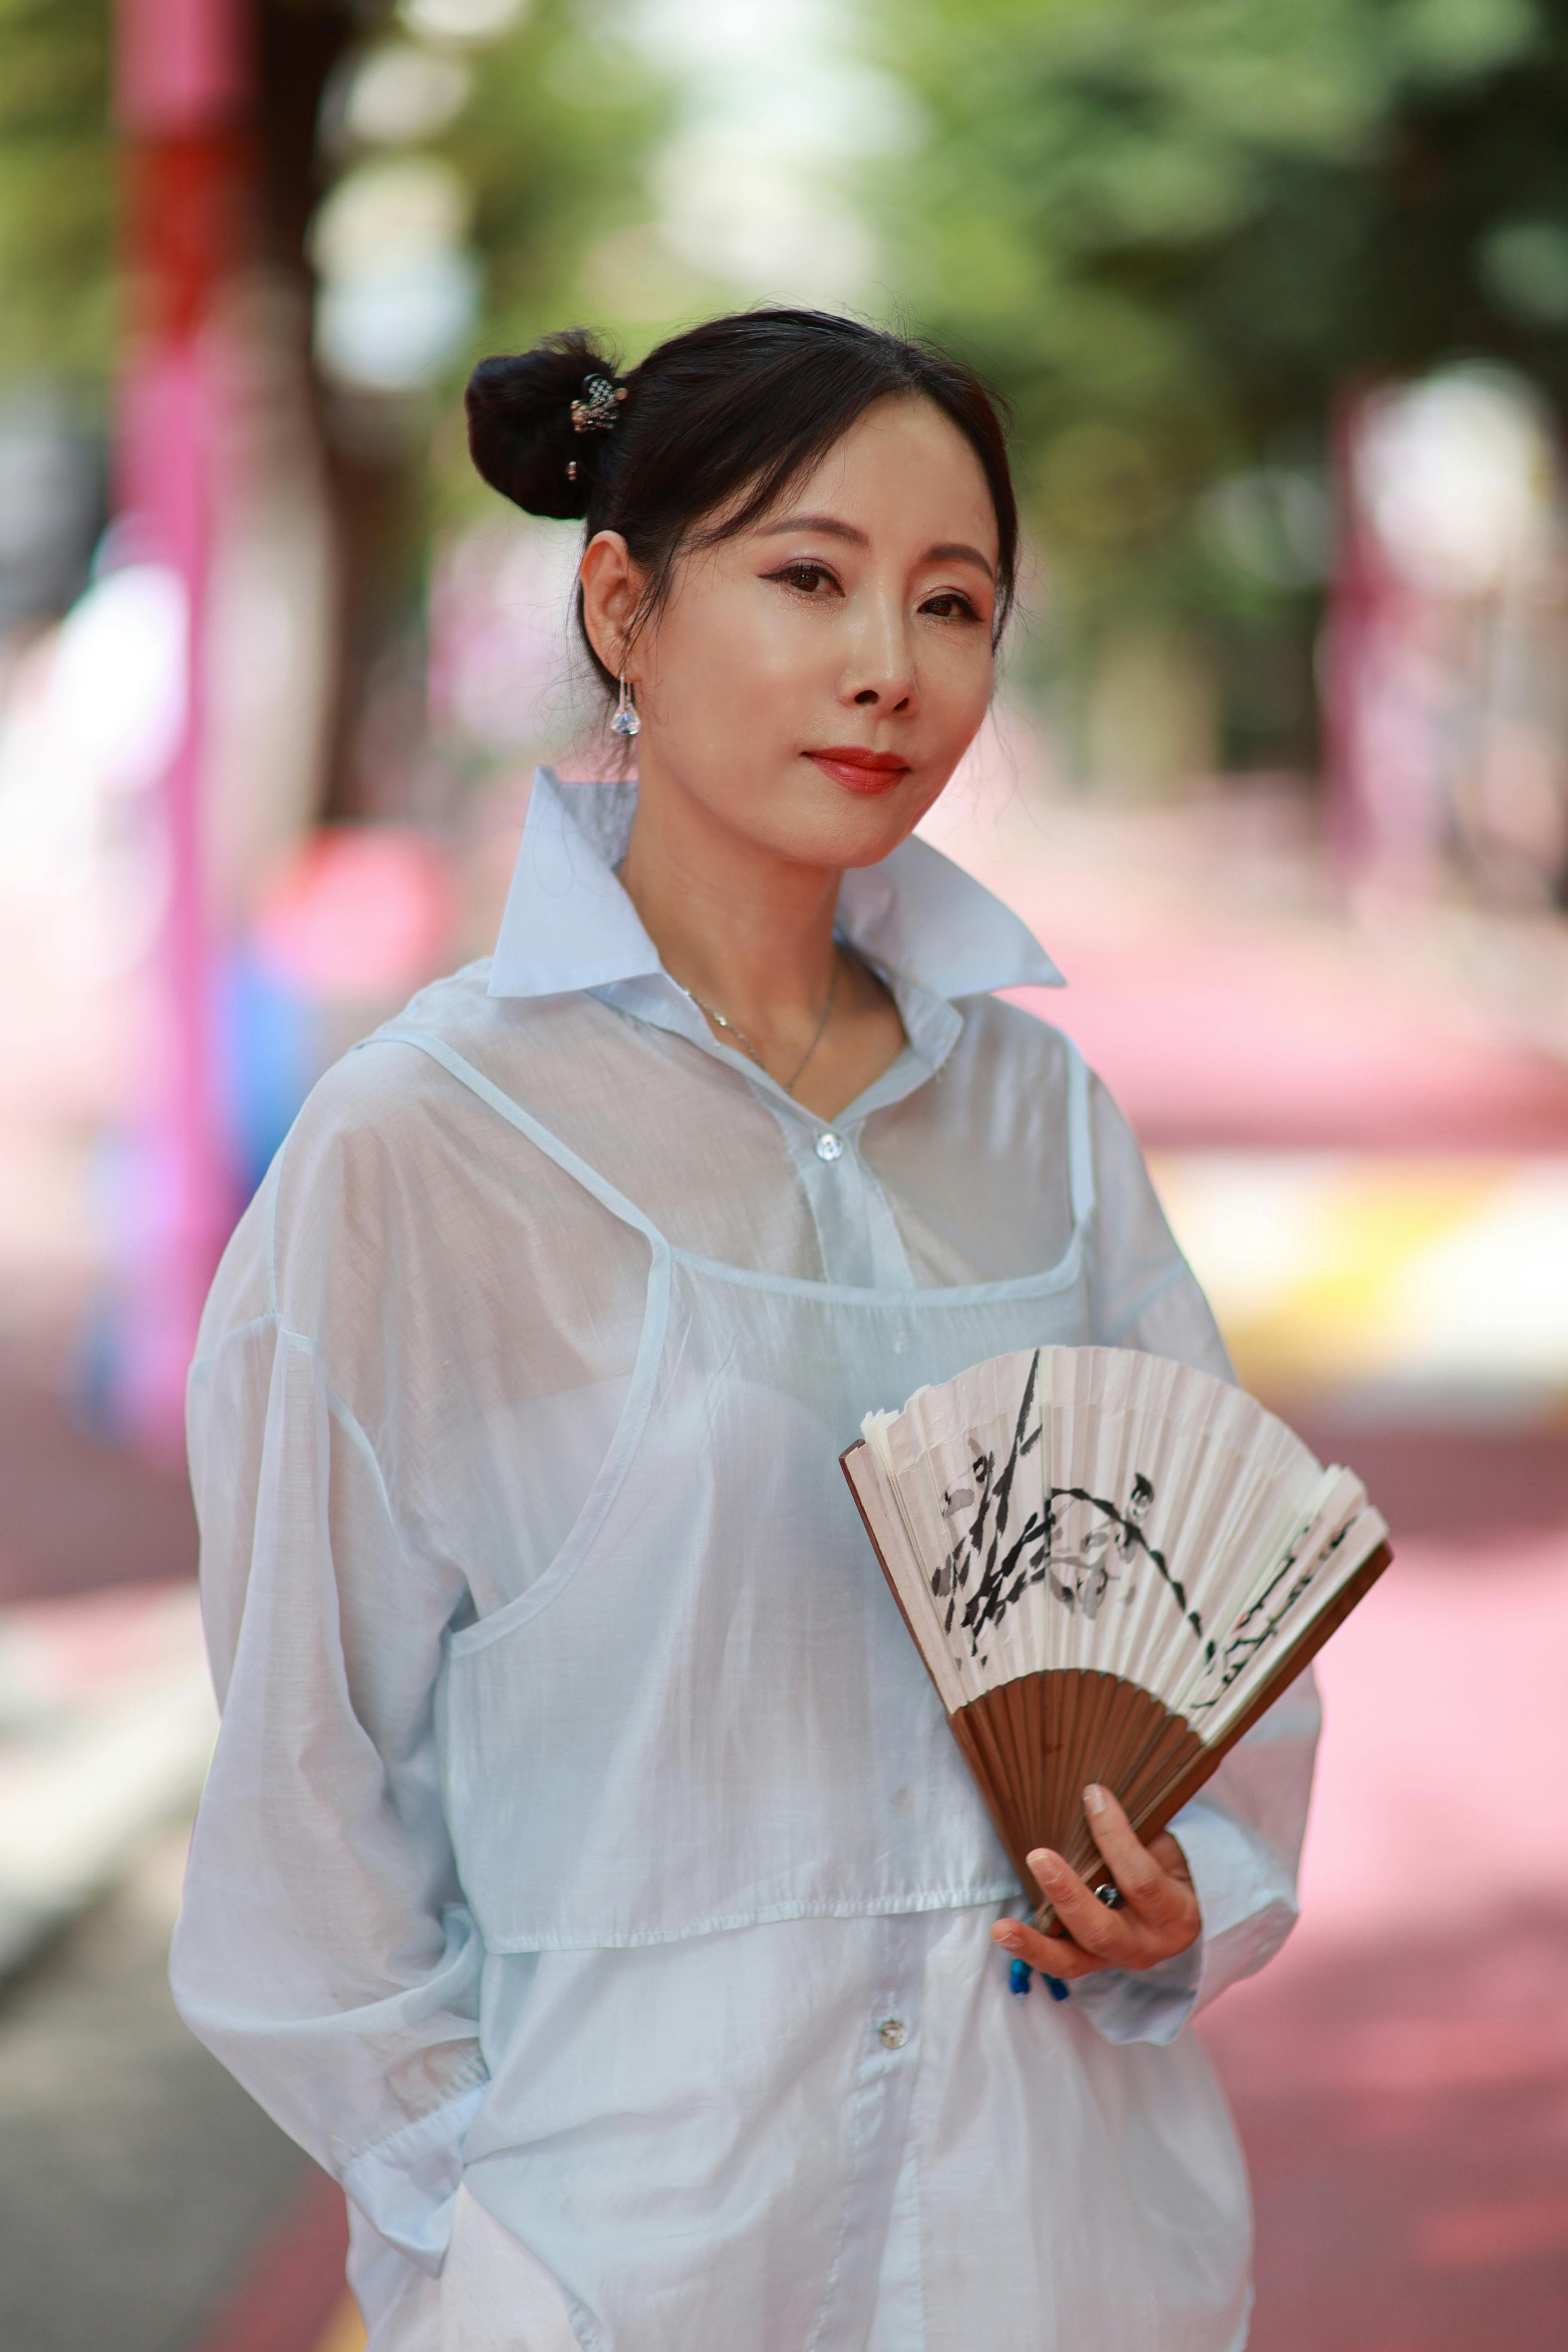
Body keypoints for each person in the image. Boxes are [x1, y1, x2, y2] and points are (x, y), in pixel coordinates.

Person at [172, 309, 1320, 2352]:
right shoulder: (427, 1150)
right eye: (807, 576)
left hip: (1058, 2250)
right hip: (626, 2262)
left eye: (953, 603)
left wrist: (1186, 1899)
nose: (891, 661)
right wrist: (481, 2242)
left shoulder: (1041, 1131)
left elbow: (1226, 1657)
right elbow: (306, 1799)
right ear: (625, 599)